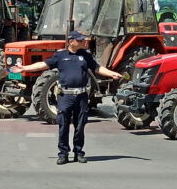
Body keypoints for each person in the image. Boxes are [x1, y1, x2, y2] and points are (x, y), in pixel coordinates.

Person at [11, 30, 122, 165]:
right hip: (65, 96)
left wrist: (112, 74)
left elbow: (97, 68)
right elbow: (43, 65)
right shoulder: (60, 55)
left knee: (80, 126)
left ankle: (78, 153)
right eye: (80, 40)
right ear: (71, 41)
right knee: (63, 125)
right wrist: (24, 68)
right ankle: (63, 154)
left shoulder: (85, 56)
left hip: (81, 96)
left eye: (83, 40)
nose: (83, 42)